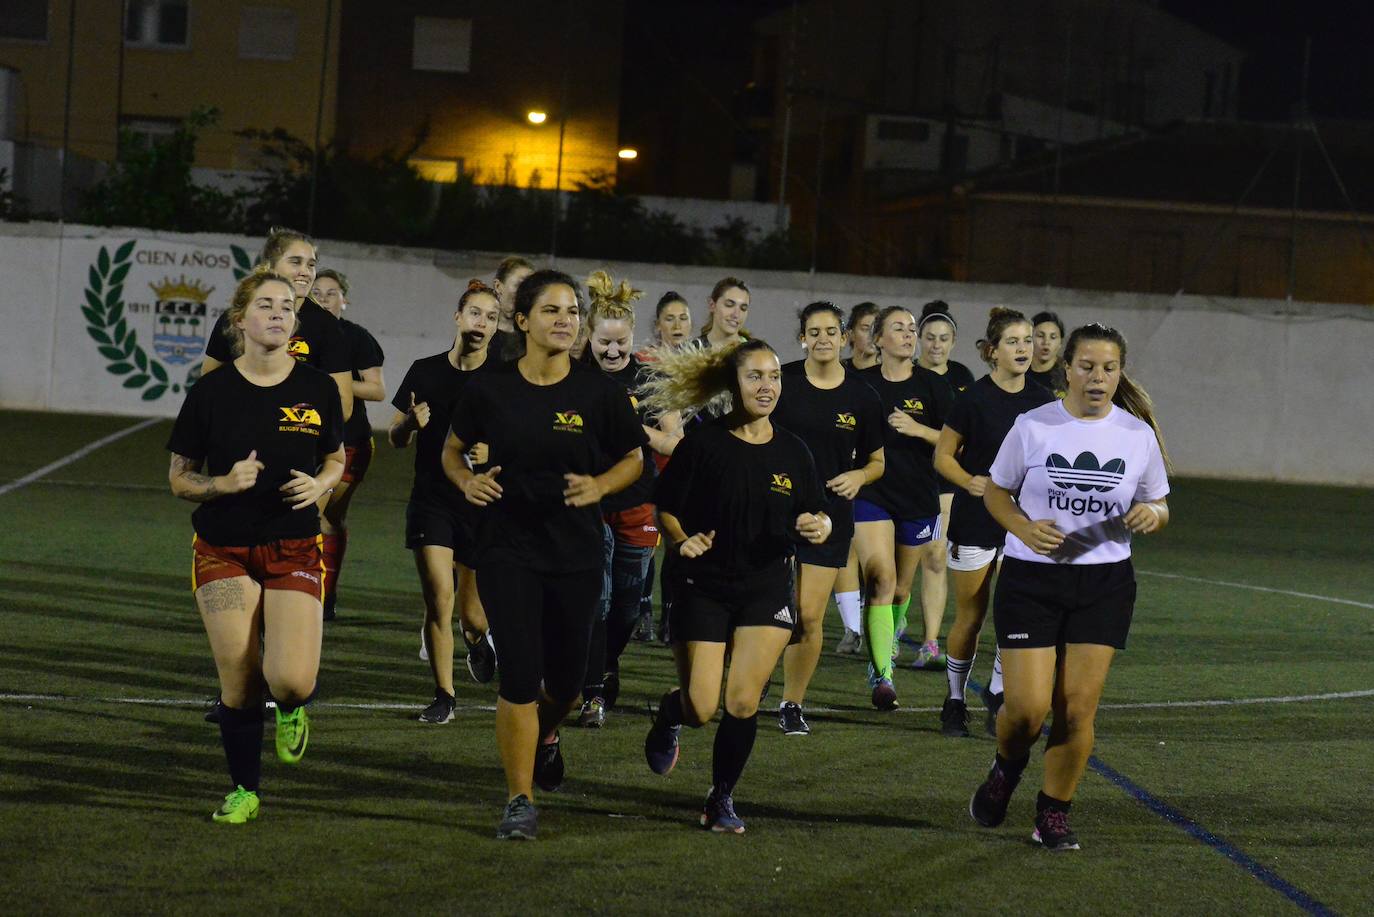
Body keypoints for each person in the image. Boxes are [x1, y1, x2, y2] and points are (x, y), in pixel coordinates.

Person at [442, 269, 647, 840]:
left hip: (577, 552)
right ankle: (519, 799)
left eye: (572, 312)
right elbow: (452, 451)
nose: (565, 320)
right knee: (519, 676)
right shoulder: (490, 389)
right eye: (552, 311)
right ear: (523, 320)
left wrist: (602, 486)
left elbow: (634, 457)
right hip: (507, 549)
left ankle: (547, 734)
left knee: (568, 685)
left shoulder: (598, 391)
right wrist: (465, 482)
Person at [968, 322, 1170, 851]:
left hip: (1103, 581)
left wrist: (1153, 514)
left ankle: (1053, 812)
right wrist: (1021, 527)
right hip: (1032, 579)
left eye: (1108, 368)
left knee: (1077, 709)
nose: (1097, 377)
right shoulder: (1034, 425)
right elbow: (996, 491)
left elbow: (1158, 502)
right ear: (1067, 369)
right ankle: (1005, 769)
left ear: (1119, 373)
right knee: (1028, 713)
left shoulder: (1136, 435)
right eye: (1087, 367)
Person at [167, 268, 345, 823]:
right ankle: (244, 790)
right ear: (239, 319)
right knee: (240, 681)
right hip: (222, 549)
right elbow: (179, 478)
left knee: (290, 680)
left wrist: (321, 484)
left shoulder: (317, 388)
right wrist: (223, 484)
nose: (278, 312)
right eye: (265, 304)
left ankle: (293, 707)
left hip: (293, 545)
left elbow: (336, 460)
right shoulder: (210, 391)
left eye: (287, 306)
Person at [641, 338, 831, 833]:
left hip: (765, 586)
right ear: (734, 384)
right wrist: (681, 540)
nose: (766, 386)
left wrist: (820, 525)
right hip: (701, 585)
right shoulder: (704, 444)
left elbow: (813, 512)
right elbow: (667, 507)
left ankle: (721, 797)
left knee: (743, 702)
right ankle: (669, 713)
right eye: (755, 376)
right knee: (701, 708)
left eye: (773, 376)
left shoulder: (794, 451)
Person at [199, 228, 352, 723]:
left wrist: (314, 456)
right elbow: (210, 387)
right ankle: (241, 692)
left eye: (313, 262)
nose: (307, 270)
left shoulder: (325, 329)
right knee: (240, 613)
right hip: (238, 492)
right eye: (297, 260)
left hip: (298, 479)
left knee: (288, 606)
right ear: (268, 266)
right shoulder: (236, 322)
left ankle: (287, 692)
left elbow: (341, 405)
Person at [932, 308, 1053, 738]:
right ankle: (954, 699)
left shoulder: (1044, 401)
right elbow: (943, 456)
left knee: (1014, 610)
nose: (1025, 348)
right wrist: (971, 482)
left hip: (1022, 524)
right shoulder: (972, 398)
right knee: (970, 617)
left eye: (1029, 341)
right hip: (976, 520)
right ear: (992, 351)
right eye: (1015, 342)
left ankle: (999, 691)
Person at [388, 280, 501, 724]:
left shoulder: (502, 380)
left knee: (473, 616)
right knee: (439, 596)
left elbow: (522, 444)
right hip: (431, 500)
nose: (481, 322)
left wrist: (496, 454)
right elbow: (396, 438)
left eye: (491, 317)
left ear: (497, 328)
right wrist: (410, 425)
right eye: (474, 313)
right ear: (457, 317)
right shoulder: (424, 371)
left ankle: (477, 639)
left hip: (480, 505)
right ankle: (444, 695)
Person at [772, 303, 885, 735]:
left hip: (830, 516)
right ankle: (756, 675)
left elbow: (877, 462)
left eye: (830, 331)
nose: (822, 338)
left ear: (844, 337)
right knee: (766, 608)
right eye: (813, 331)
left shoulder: (862, 396)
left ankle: (791, 702)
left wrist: (859, 475)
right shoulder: (780, 381)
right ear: (802, 337)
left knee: (807, 615)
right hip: (775, 509)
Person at [575, 271, 669, 728]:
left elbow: (675, 442)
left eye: (621, 343)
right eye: (603, 343)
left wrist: (634, 428)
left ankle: (606, 664)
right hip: (588, 505)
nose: (612, 352)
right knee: (597, 600)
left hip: (638, 504)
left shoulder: (650, 378)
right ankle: (592, 689)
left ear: (633, 337)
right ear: (587, 337)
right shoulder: (572, 378)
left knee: (629, 608)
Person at [852, 307, 954, 709]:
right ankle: (883, 676)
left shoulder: (933, 386)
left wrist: (918, 429)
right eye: (899, 328)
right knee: (879, 580)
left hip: (917, 496)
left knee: (900, 588)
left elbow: (954, 441)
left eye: (912, 329)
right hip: (872, 493)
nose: (909, 335)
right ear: (878, 339)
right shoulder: (859, 384)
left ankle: (890, 635)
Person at [897, 300, 975, 669]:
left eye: (943, 338)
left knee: (936, 556)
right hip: (906, 479)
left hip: (944, 481)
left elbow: (958, 440)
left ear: (953, 341)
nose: (936, 345)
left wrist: (920, 430)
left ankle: (929, 641)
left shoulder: (962, 379)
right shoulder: (903, 375)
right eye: (929, 338)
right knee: (901, 566)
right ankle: (892, 623)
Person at [311, 269, 385, 621]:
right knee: (321, 517)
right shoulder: (299, 333)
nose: (324, 298)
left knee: (320, 515)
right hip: (302, 438)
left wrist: (335, 382)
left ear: (345, 299)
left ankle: (317, 594)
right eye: (318, 292)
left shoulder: (357, 337)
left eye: (331, 292)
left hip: (349, 442)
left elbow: (377, 389)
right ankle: (320, 595)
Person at [636, 291, 693, 643]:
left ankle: (671, 614)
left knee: (677, 541)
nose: (677, 325)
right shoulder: (643, 363)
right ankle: (642, 609)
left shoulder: (697, 366)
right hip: (651, 461)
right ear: (657, 325)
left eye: (683, 318)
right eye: (669, 318)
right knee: (646, 540)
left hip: (685, 463)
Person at [834, 300, 881, 654]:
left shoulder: (892, 376)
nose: (873, 336)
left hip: (884, 478)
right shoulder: (839, 375)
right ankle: (852, 628)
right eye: (866, 328)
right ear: (850, 335)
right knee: (846, 547)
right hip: (847, 477)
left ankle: (886, 626)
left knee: (882, 565)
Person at [489, 255, 535, 360]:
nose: (525, 292)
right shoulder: (478, 334)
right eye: (519, 284)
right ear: (498, 286)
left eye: (530, 287)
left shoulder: (536, 338)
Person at [696, 277, 750, 349]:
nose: (736, 314)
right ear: (712, 305)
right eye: (729, 305)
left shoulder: (756, 352)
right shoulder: (689, 352)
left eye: (743, 308)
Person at [1028, 310, 1067, 396]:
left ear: (1060, 342)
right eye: (1040, 336)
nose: (1046, 342)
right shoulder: (1018, 372)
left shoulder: (1069, 374)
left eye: (1053, 337)